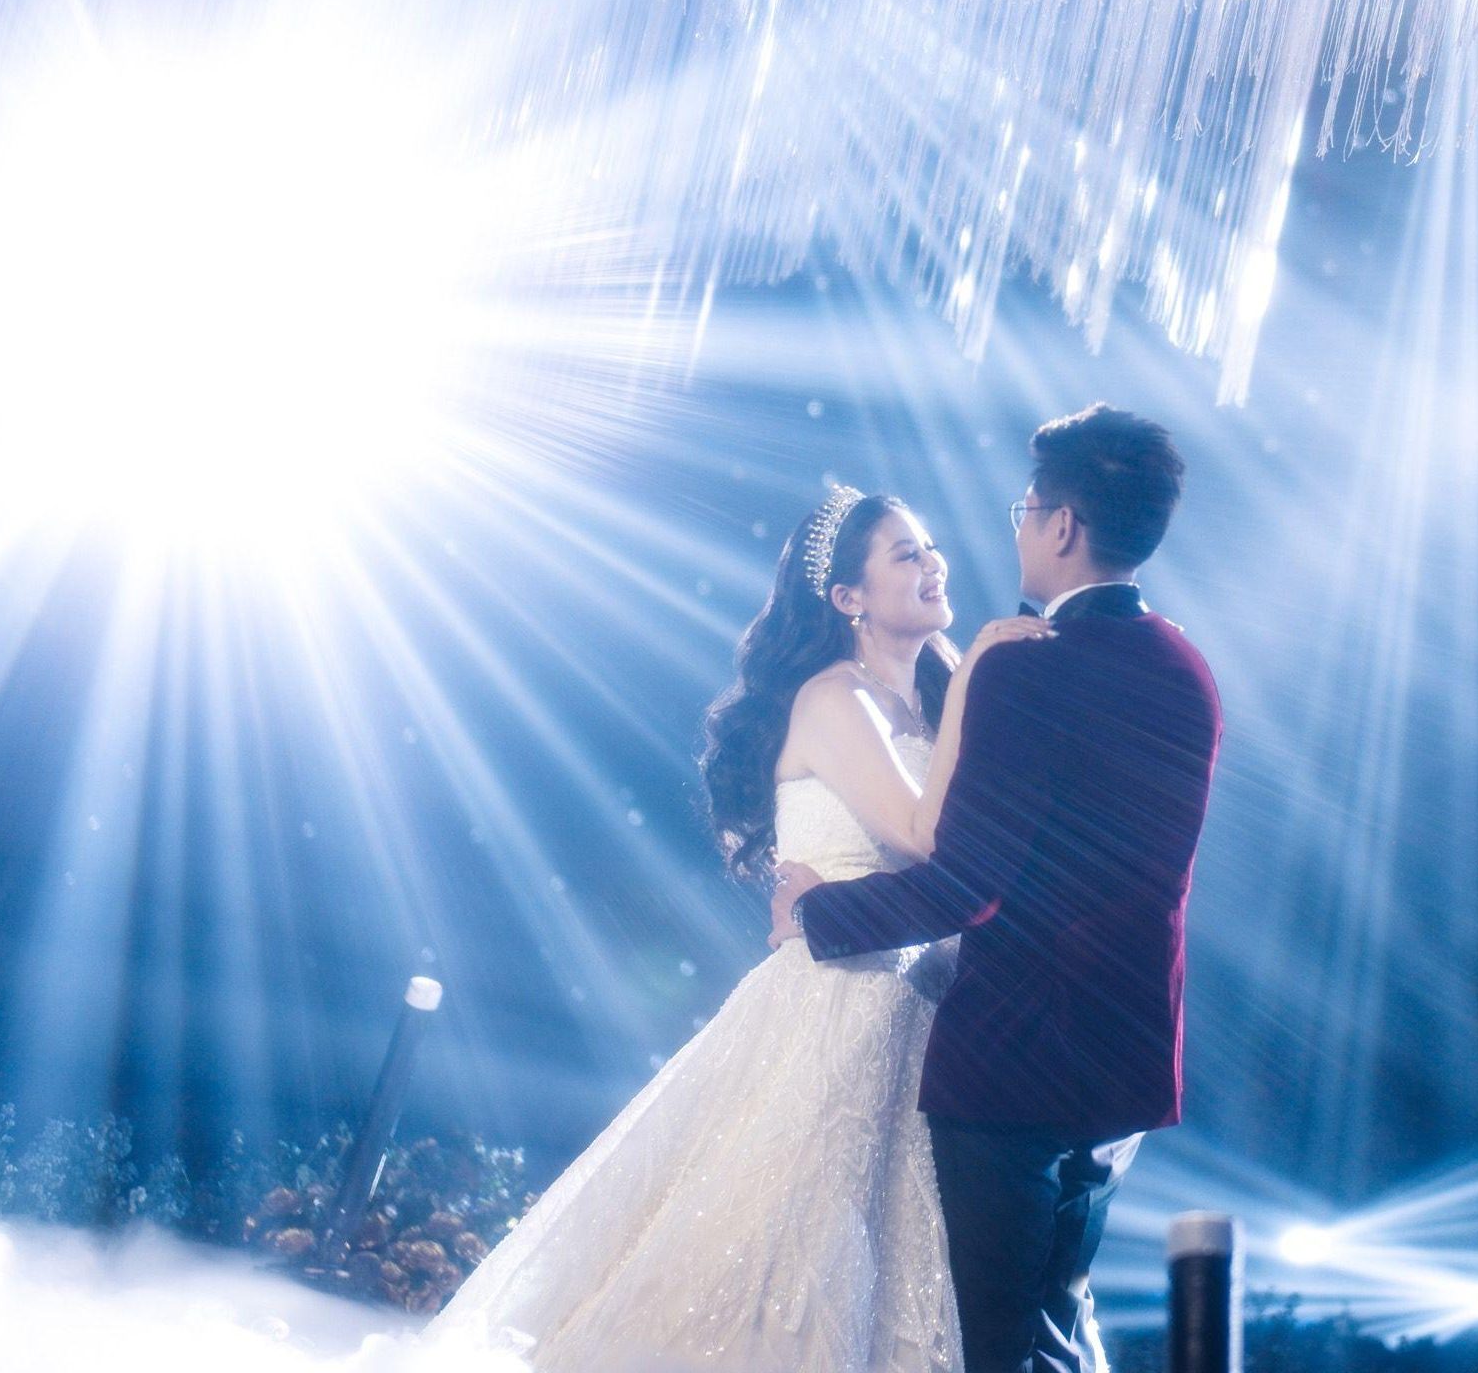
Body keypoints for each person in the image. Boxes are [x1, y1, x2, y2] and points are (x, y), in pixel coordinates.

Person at [431, 486, 1047, 1372]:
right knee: (777, 1254)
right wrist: (981, 664)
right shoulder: (835, 699)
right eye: (906, 554)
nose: (932, 564)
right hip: (835, 1006)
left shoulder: (927, 700)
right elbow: (925, 836)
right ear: (847, 597)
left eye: (929, 546)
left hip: (922, 1013)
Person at [773, 406, 1222, 1373]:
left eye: (1025, 511)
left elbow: (965, 885)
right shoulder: (1187, 666)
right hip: (1128, 1060)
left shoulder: (1029, 668)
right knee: (1058, 1329)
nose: (1015, 531)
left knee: (992, 1346)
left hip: (1015, 1062)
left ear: (1060, 526)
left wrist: (816, 907)